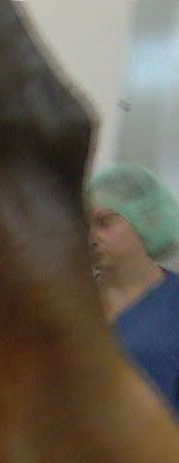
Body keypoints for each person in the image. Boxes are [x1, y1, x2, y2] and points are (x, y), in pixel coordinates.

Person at [87, 162, 179, 413]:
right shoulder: (73, 300)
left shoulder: (173, 305)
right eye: (88, 223)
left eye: (105, 223)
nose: (93, 235)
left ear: (147, 220)